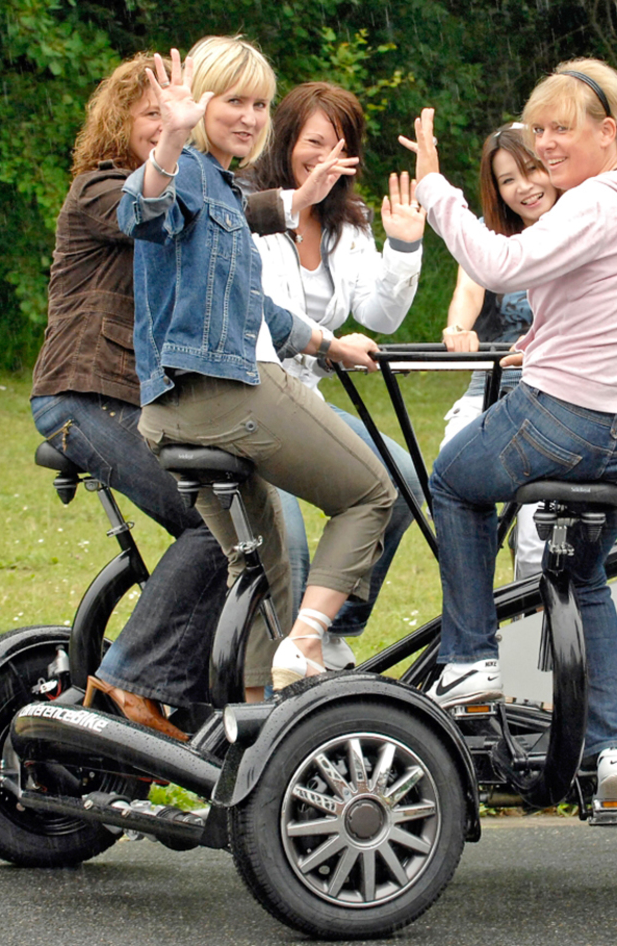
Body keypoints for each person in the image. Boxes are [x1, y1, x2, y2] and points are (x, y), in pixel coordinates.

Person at [401, 58, 617, 816]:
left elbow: (498, 261)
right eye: (540, 131)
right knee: (584, 577)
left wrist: (435, 186)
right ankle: (614, 751)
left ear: (607, 132)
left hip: (575, 419)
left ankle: (469, 662)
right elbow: (612, 306)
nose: (547, 144)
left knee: (455, 478)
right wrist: (551, 341)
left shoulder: (597, 199)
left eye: (562, 130)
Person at [118, 38, 395, 699]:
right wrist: (169, 141)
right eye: (233, 100)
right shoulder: (183, 169)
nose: (249, 115)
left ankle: (254, 715)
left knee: (268, 569)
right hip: (222, 391)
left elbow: (250, 308)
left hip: (171, 409)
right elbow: (140, 211)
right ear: (198, 101)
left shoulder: (219, 183)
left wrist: (329, 345)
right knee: (373, 494)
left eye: (261, 104)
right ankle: (309, 646)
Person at [29, 52, 293, 737]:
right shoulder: (101, 190)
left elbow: (226, 210)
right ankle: (130, 680)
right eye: (153, 114)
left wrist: (302, 197)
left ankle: (200, 691)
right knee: (220, 530)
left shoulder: (187, 184)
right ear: (122, 125)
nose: (168, 122)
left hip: (137, 402)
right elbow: (154, 209)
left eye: (176, 110)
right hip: (86, 398)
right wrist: (184, 146)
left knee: (231, 528)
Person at [246, 81, 427, 670]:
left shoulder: (347, 224)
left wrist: (404, 247)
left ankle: (330, 631)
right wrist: (328, 345)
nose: (324, 158)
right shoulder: (249, 207)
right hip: (253, 394)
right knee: (288, 552)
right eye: (312, 142)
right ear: (285, 139)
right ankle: (263, 687)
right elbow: (252, 316)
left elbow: (379, 315)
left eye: (338, 146)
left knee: (401, 482)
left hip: (310, 397)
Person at [437, 123, 561, 578]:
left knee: (536, 547)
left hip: (554, 401)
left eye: (532, 170)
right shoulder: (493, 239)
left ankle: (539, 632)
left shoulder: (582, 229)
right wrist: (458, 328)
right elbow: (468, 292)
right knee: (452, 470)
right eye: (508, 180)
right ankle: (473, 624)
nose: (524, 188)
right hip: (490, 391)